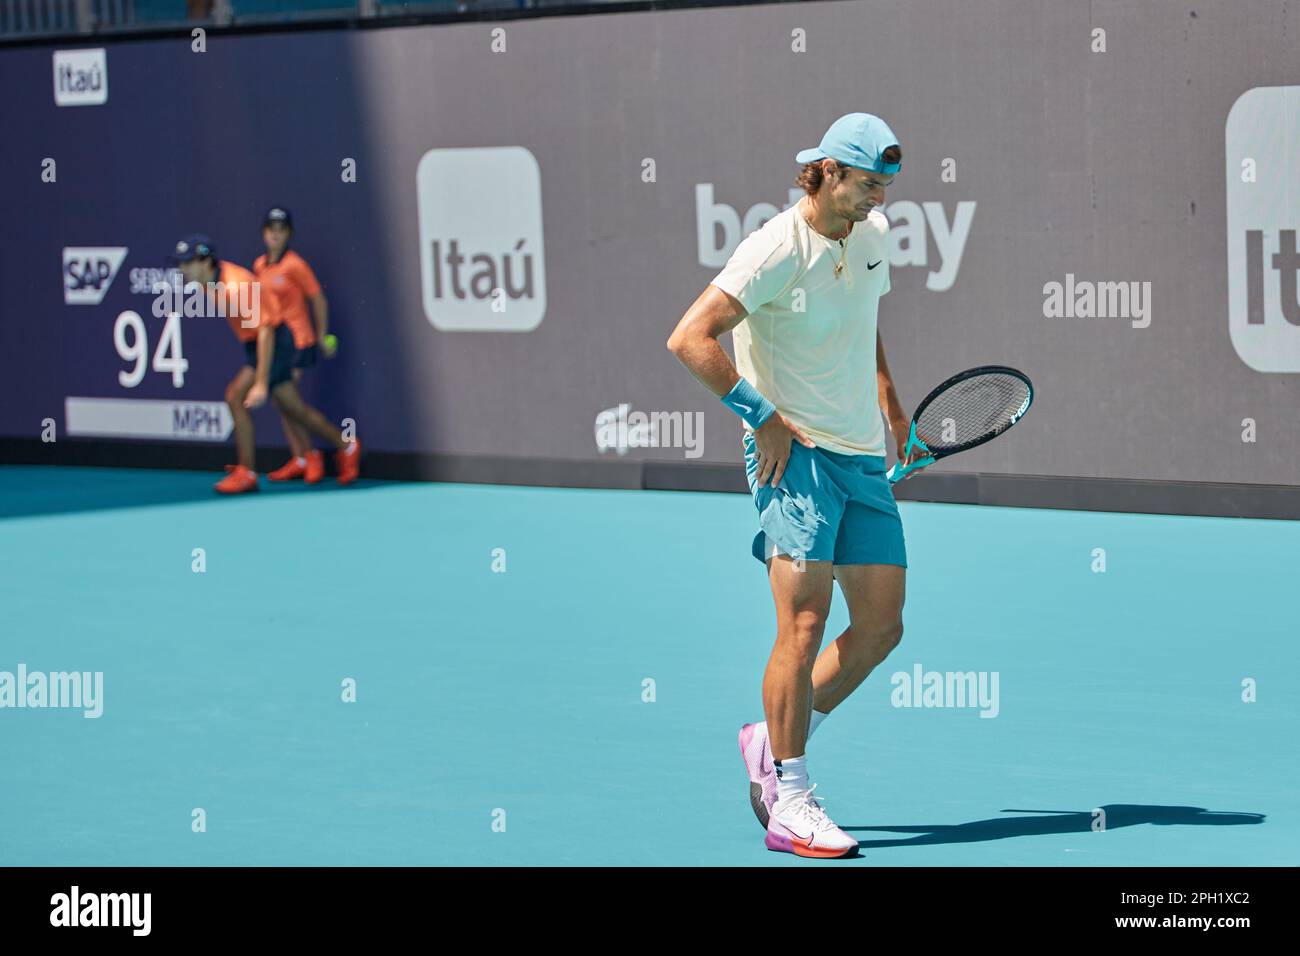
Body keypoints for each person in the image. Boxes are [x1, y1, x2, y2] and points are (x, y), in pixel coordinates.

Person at [667, 113, 924, 858]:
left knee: (881, 627)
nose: (879, 198)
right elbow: (689, 337)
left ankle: (773, 735)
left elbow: (862, 316)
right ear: (829, 174)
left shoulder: (870, 236)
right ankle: (792, 798)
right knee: (804, 626)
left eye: (886, 185)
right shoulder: (774, 247)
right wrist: (761, 416)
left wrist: (891, 402)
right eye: (868, 183)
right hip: (794, 459)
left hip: (860, 457)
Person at [168, 234, 361, 494]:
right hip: (258, 340)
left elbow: (265, 332)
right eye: (181, 263)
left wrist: (260, 383)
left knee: (235, 397)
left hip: (272, 340)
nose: (182, 269)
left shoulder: (235, 286)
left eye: (188, 263)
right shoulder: (206, 281)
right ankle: (346, 446)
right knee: (293, 409)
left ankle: (247, 472)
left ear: (205, 262)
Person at [252, 207, 336, 484]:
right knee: (282, 404)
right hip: (277, 344)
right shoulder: (259, 266)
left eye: (281, 231)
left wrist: (322, 334)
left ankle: (318, 455)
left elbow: (318, 298)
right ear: (265, 233)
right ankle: (300, 457)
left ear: (288, 235)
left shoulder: (295, 265)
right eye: (271, 230)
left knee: (292, 404)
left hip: (299, 341)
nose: (275, 235)